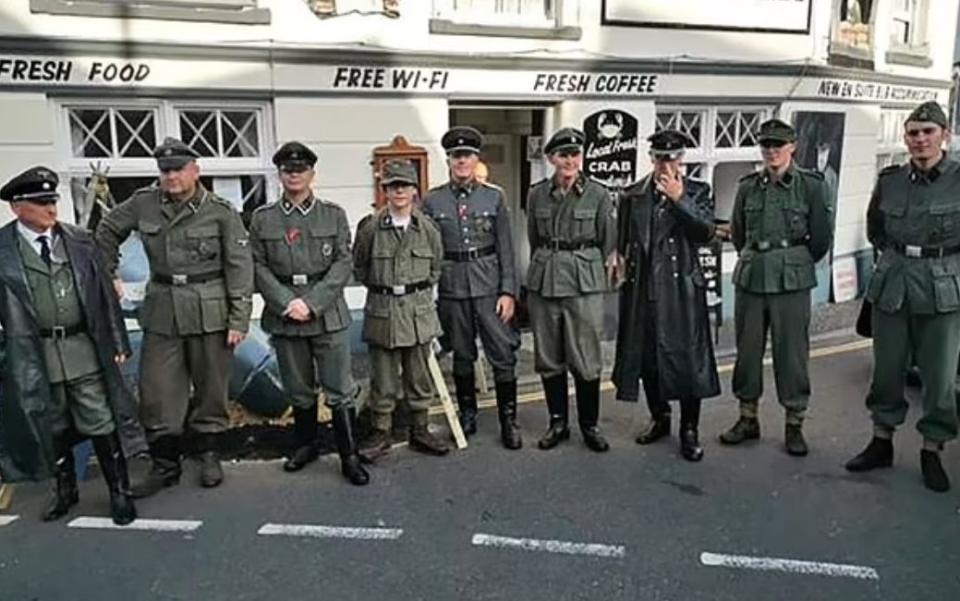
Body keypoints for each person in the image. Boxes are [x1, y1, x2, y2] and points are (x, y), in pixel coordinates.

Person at [95, 137, 254, 496]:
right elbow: (106, 231)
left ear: (195, 170)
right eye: (164, 170)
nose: (171, 176)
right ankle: (165, 465)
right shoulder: (143, 204)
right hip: (163, 307)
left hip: (209, 308)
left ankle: (209, 455)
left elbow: (240, 266)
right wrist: (109, 274)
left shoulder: (220, 211)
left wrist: (239, 318)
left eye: (178, 169)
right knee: (157, 390)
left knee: (212, 387)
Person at [0, 166, 136, 524]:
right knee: (54, 425)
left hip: (82, 348)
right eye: (41, 202)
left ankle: (119, 491)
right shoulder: (3, 249)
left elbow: (104, 295)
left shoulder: (79, 240)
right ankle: (66, 491)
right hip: (34, 354)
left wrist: (118, 339)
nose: (51, 209)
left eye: (53, 200)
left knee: (100, 420)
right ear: (17, 207)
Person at [846, 101, 960, 492]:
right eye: (913, 132)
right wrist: (897, 260)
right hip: (893, 284)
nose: (920, 140)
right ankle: (881, 442)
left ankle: (932, 449)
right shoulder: (890, 179)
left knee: (940, 376)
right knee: (887, 370)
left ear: (944, 135)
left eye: (928, 132)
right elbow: (875, 228)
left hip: (942, 287)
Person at [249, 141, 368, 485]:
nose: (294, 175)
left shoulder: (332, 214)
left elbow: (343, 263)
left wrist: (311, 303)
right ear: (280, 175)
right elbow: (256, 265)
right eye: (288, 170)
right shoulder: (263, 217)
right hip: (284, 312)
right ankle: (306, 445)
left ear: (312, 174)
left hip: (326, 313)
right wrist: (286, 301)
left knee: (339, 388)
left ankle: (349, 455)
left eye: (300, 170)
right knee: (298, 387)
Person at [721, 119, 833, 456]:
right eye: (766, 145)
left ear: (792, 147)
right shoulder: (748, 187)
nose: (771, 150)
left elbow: (821, 239)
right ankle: (747, 418)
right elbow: (739, 234)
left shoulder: (811, 186)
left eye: (778, 145)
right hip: (753, 276)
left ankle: (794, 423)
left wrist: (792, 262)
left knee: (792, 354)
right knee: (748, 351)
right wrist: (757, 258)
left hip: (791, 279)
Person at [611, 130, 721, 461]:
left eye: (672, 158)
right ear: (652, 159)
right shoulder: (633, 194)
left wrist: (678, 198)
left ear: (682, 159)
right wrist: (616, 256)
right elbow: (624, 238)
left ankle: (690, 429)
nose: (666, 164)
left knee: (687, 361)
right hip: (644, 287)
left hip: (681, 290)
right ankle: (660, 417)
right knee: (647, 360)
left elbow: (705, 232)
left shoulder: (698, 191)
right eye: (660, 157)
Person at [423, 126, 521, 449]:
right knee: (462, 354)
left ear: (476, 159)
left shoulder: (494, 196)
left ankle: (509, 418)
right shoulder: (432, 200)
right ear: (449, 160)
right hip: (452, 288)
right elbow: (427, 249)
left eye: (466, 155)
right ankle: (468, 412)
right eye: (455, 156)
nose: (461, 161)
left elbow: (506, 247)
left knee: (502, 352)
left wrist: (508, 292)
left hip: (489, 287)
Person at [525, 127, 617, 452]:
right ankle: (557, 422)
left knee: (586, 357)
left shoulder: (599, 194)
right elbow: (535, 239)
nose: (569, 161)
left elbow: (609, 242)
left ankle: (589, 425)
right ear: (552, 158)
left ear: (582, 157)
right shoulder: (537, 194)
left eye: (575, 154)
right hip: (545, 281)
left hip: (584, 284)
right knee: (549, 357)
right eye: (563, 155)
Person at [353, 159, 449, 460]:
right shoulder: (370, 228)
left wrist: (412, 290)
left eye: (404, 186)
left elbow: (436, 268)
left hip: (418, 312)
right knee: (383, 379)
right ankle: (381, 433)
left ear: (414, 191)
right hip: (384, 311)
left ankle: (420, 430)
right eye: (393, 186)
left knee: (418, 377)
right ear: (385, 191)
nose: (399, 192)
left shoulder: (428, 229)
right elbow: (361, 268)